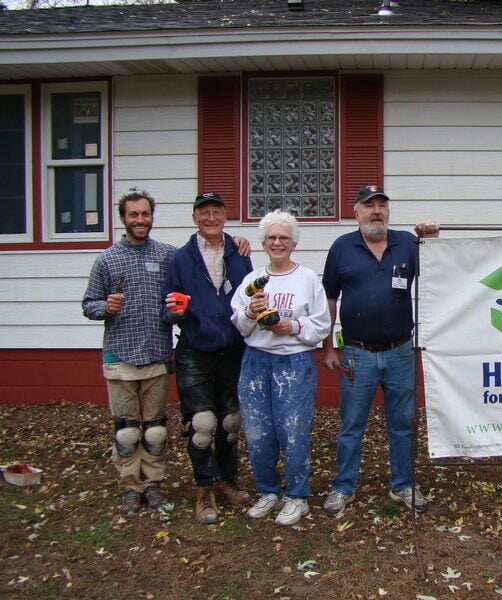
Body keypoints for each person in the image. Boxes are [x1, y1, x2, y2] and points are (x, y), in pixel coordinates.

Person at [320, 184, 439, 517]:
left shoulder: (408, 244)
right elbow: (329, 299)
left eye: (382, 205)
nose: (376, 211)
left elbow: (438, 273)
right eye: (368, 205)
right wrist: (328, 347)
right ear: (356, 212)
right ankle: (343, 486)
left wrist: (431, 240)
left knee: (402, 421)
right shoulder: (341, 248)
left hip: (401, 351)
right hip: (357, 353)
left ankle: (403, 483)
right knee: (351, 423)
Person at [230, 210, 331, 526]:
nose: (277, 243)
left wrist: (293, 325)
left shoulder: (308, 279)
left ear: (293, 242)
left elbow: (322, 324)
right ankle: (268, 491)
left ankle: (297, 496)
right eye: (271, 237)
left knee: (293, 430)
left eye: (283, 237)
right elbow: (239, 324)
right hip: (256, 361)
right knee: (258, 431)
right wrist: (250, 311)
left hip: (294, 362)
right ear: (263, 242)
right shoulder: (252, 281)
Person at [82, 188, 177, 517]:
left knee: (155, 428)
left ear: (152, 216)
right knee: (126, 429)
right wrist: (104, 306)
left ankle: (152, 484)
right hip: (120, 357)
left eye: (145, 214)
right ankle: (129, 487)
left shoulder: (167, 255)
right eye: (133, 214)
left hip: (156, 354)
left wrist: (238, 243)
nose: (140, 220)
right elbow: (88, 305)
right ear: (123, 219)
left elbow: (198, 261)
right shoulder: (107, 259)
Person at [162, 192, 254, 525]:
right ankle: (204, 491)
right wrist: (176, 311)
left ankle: (227, 482)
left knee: (230, 424)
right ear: (195, 218)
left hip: (233, 349)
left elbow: (250, 296)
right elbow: (168, 303)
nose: (210, 218)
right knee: (202, 425)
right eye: (204, 212)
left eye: (216, 211)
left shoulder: (239, 252)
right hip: (194, 350)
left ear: (225, 215)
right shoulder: (181, 258)